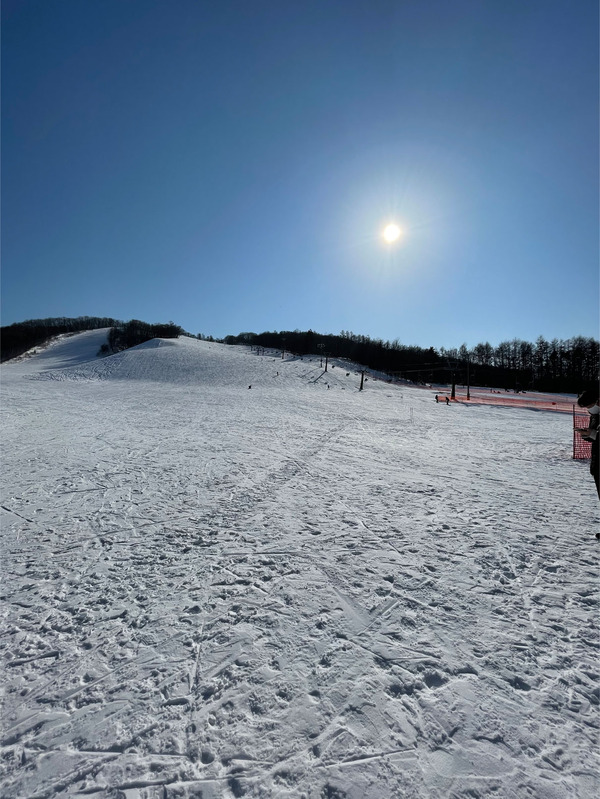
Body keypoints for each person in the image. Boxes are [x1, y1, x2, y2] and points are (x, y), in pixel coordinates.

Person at [576, 388, 599, 529]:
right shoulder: (595, 415)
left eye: (589, 406)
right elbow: (595, 435)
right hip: (597, 463)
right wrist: (587, 434)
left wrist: (594, 434)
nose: (589, 410)